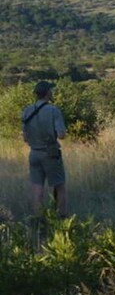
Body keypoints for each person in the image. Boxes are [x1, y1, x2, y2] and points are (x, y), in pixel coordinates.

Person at [22, 81, 69, 218]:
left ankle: (38, 219)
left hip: (34, 153)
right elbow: (61, 135)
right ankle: (62, 218)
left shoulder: (27, 111)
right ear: (48, 93)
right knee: (60, 186)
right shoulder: (54, 110)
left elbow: (25, 137)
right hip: (50, 153)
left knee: (37, 188)